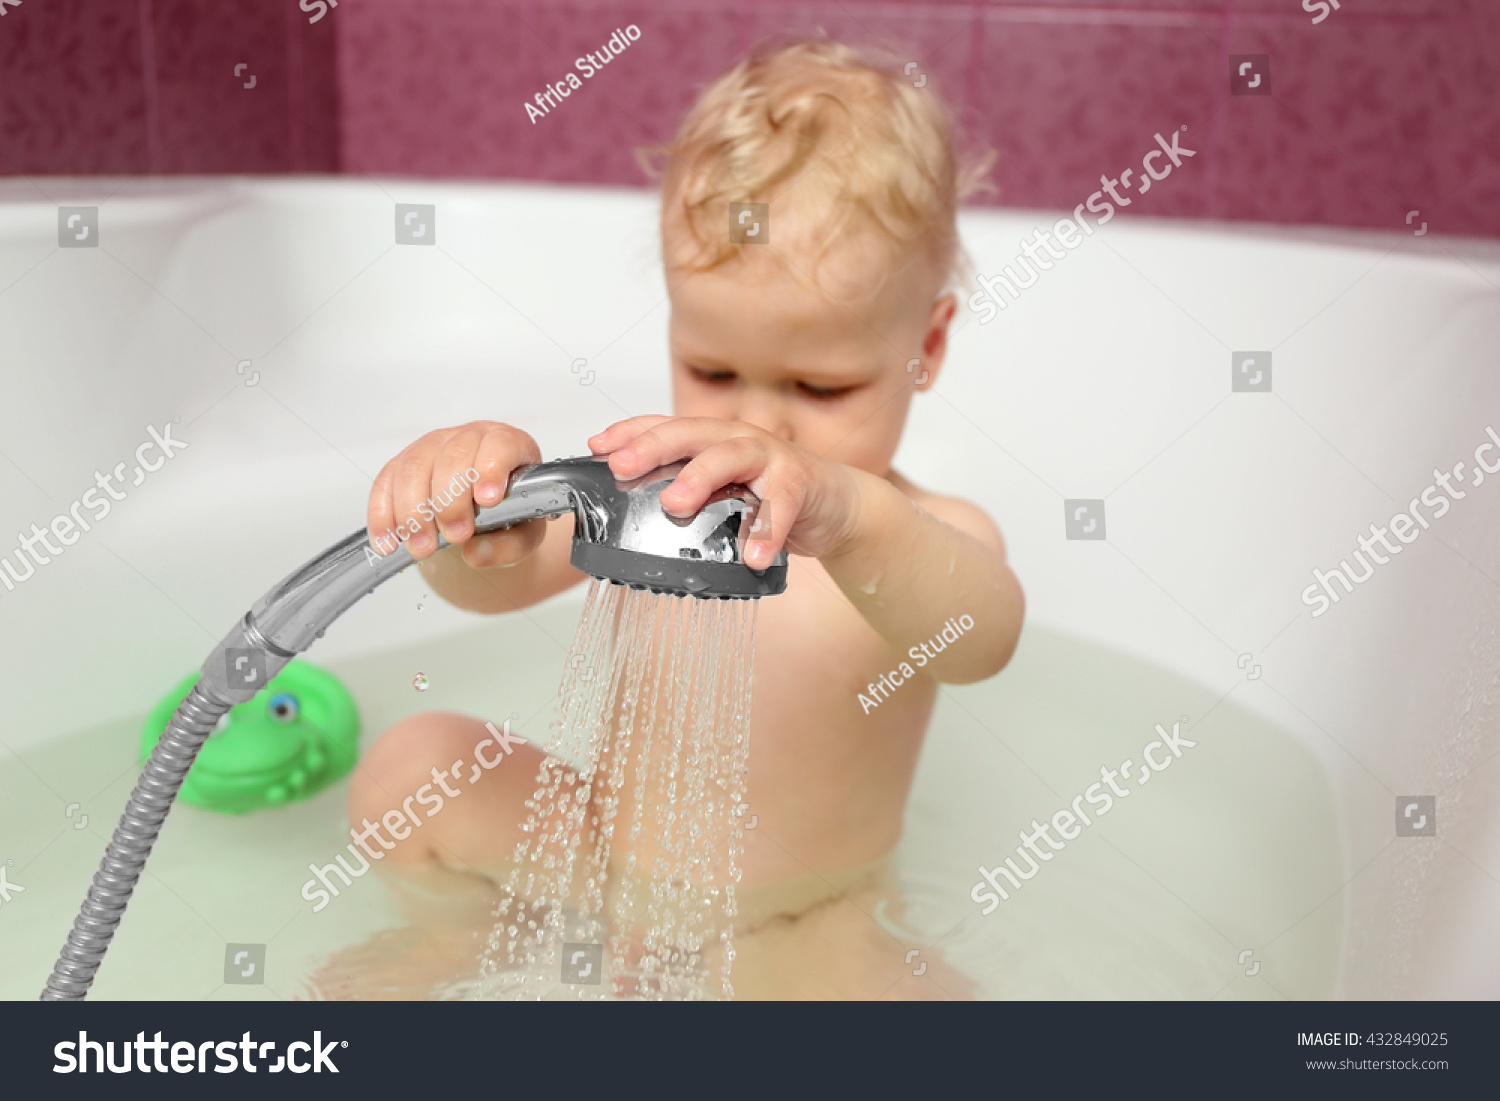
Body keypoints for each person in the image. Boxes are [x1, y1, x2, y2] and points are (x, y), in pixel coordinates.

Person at [340, 36, 1024, 1001]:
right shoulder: (660, 492)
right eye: (711, 368)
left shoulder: (919, 534)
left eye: (822, 384)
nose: (756, 421)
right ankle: (458, 949)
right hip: (599, 860)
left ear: (929, 343)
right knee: (414, 771)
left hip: (794, 917)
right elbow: (502, 582)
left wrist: (841, 510)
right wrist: (470, 517)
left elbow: (978, 638)